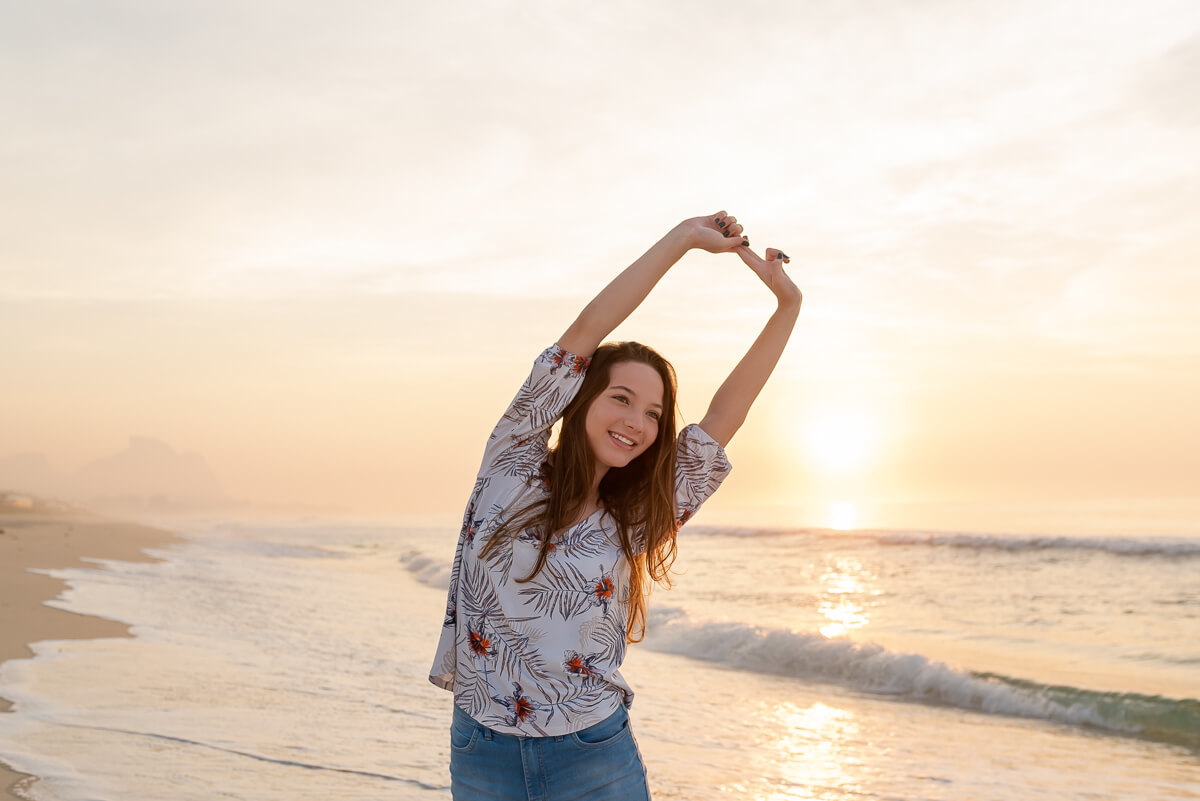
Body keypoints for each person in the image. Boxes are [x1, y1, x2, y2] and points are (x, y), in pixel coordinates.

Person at [429, 211, 802, 800]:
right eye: (622, 398)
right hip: (481, 751)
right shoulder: (512, 460)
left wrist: (787, 309)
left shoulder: (637, 519)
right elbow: (589, 325)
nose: (637, 422)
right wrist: (682, 239)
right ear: (578, 397)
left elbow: (726, 416)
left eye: (654, 414)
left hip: (591, 757)